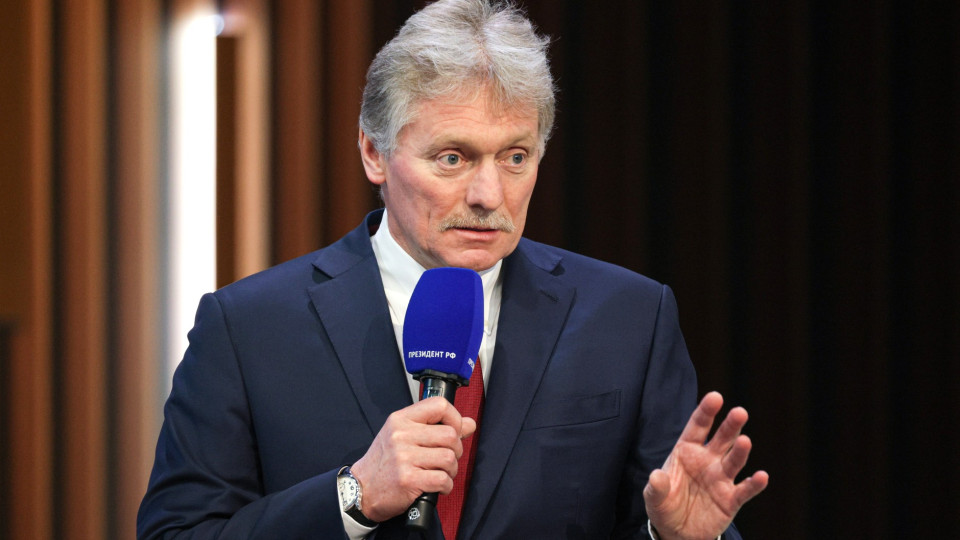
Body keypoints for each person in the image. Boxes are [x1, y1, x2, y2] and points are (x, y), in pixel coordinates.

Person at [137, 0, 768, 538]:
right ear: (374, 153)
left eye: (515, 157)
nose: (489, 196)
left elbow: (669, 515)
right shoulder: (246, 329)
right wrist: (353, 497)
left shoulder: (629, 318)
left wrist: (672, 536)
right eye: (453, 158)